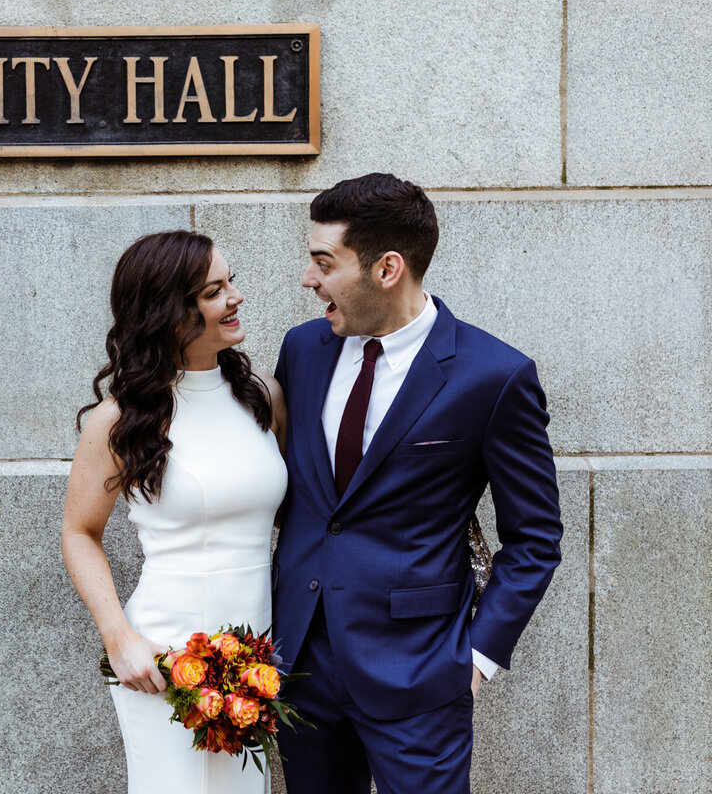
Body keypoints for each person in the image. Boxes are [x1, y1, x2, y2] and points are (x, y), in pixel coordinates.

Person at [272, 173, 564, 794]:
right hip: (300, 668)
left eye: (324, 263)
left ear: (387, 269)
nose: (308, 279)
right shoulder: (301, 351)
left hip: (421, 674)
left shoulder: (494, 376)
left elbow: (536, 538)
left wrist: (476, 660)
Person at [62, 230, 288, 793]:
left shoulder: (262, 395)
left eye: (231, 282)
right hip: (162, 658)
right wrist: (119, 638)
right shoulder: (119, 419)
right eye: (214, 290)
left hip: (258, 653)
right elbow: (79, 531)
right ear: (168, 311)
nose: (234, 297)